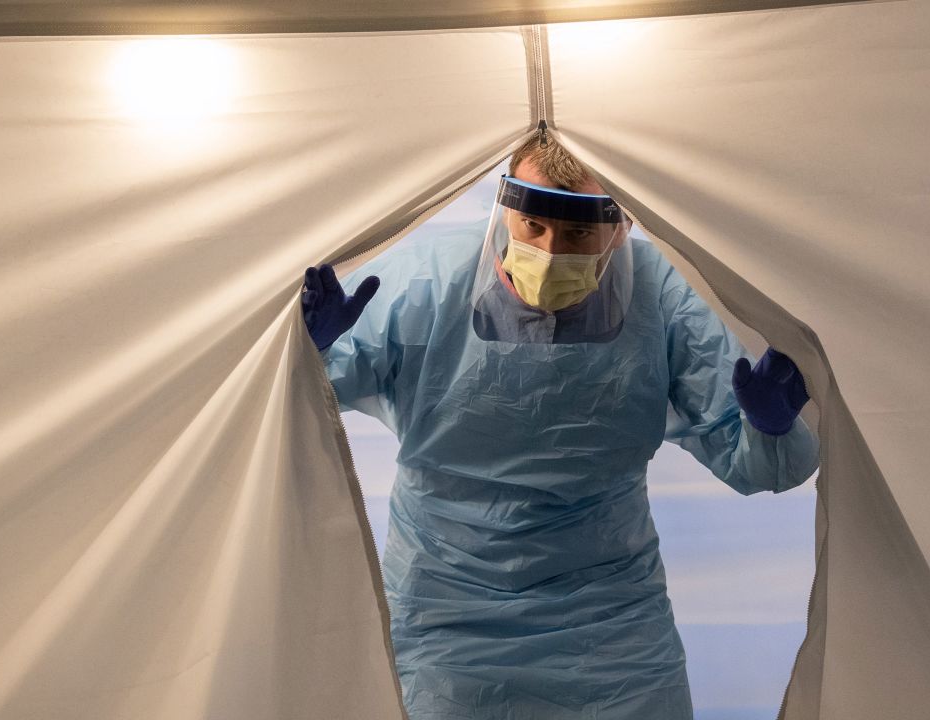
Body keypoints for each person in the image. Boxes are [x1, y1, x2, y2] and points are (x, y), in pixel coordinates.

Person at [300, 135, 820, 719]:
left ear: (622, 225)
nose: (551, 251)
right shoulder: (426, 281)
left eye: (578, 233)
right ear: (504, 214)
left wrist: (771, 429)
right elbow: (306, 406)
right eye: (534, 226)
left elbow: (749, 459)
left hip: (611, 621)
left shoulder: (666, 297)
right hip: (447, 609)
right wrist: (304, 357)